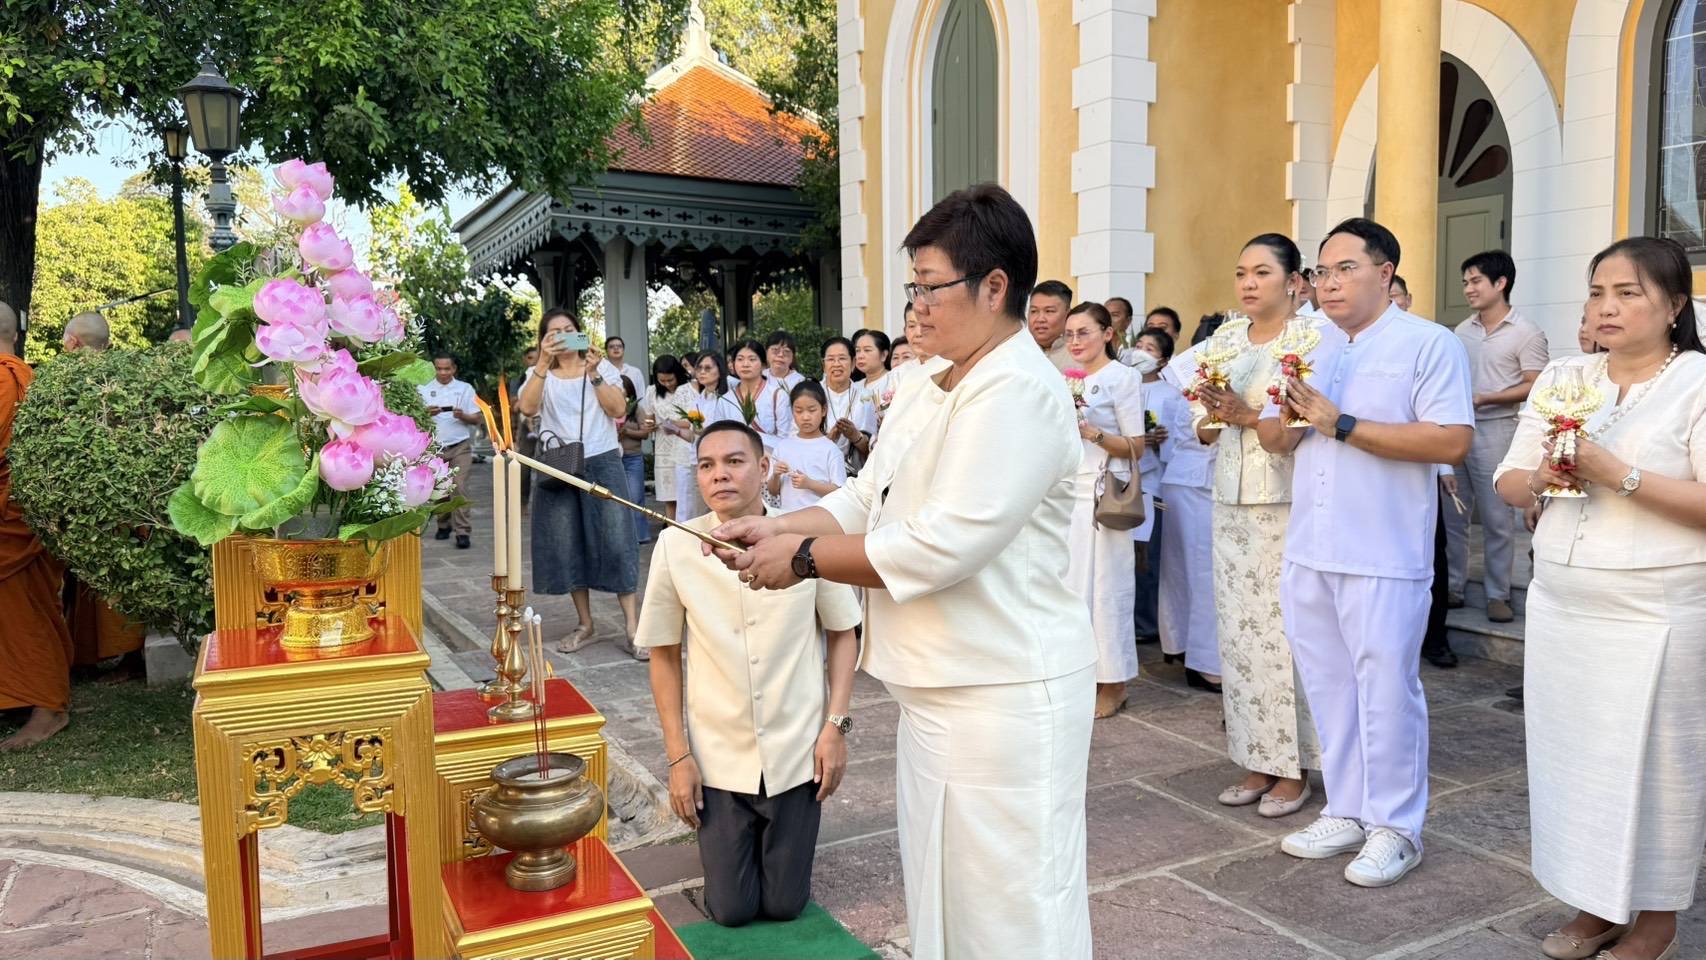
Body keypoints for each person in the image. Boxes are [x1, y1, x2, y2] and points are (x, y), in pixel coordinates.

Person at [707, 184, 1095, 959]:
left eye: (929, 286)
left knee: (1014, 914)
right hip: (935, 693)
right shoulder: (927, 381)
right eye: (911, 288)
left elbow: (941, 542)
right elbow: (863, 497)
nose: (914, 307)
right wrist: (775, 524)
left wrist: (805, 560)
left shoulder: (1017, 390)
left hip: (1003, 695)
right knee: (944, 902)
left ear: (993, 287)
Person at [1494, 237, 1706, 960]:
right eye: (1597, 292)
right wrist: (1544, 476)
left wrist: (1618, 474)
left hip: (1657, 612)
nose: (1607, 307)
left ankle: (1654, 916)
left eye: (1629, 293)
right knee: (1576, 764)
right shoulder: (1564, 376)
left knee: (1658, 767)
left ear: (1675, 306)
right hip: (1564, 601)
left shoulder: (1697, 383)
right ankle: (1594, 902)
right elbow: (1510, 480)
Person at [1256, 217, 1473, 888]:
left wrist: (1340, 423)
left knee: (1386, 690)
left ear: (1385, 273)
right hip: (1311, 545)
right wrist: (1290, 421)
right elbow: (1272, 435)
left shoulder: (1427, 344)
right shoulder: (1307, 341)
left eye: (1345, 268)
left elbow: (1450, 441)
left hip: (1384, 549)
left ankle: (1396, 827)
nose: (1329, 282)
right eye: (1322, 271)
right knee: (1328, 685)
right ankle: (1346, 809)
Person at [638, 420, 860, 927]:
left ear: (763, 468)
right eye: (707, 465)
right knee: (732, 911)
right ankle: (732, 845)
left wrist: (835, 728)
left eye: (735, 461)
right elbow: (664, 653)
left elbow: (844, 632)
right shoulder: (675, 547)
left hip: (797, 750)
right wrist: (679, 756)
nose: (720, 475)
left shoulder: (805, 538)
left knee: (785, 905)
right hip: (719, 758)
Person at [1192, 233, 1324, 818]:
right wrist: (1218, 412)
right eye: (1242, 272)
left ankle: (1296, 767)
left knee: (1286, 632)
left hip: (1288, 499)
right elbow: (1201, 427)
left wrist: (1247, 416)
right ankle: (1255, 757)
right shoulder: (1223, 338)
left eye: (1262, 272)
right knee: (1241, 633)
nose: (1248, 283)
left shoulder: (1312, 337)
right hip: (1230, 497)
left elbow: (1300, 425)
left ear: (1294, 280)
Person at [517, 309, 641, 657]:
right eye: (553, 332)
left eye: (568, 330)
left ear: (580, 334)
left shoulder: (602, 369)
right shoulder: (537, 373)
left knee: (617, 539)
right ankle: (585, 623)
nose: (561, 337)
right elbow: (527, 407)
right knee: (565, 540)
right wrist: (542, 362)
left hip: (602, 458)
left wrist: (595, 373)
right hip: (558, 464)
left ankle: (633, 626)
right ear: (543, 338)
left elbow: (618, 411)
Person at [1444, 250, 1549, 623]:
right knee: (1454, 516)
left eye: (1475, 281)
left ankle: (1497, 595)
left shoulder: (1526, 332)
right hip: (1459, 429)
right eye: (1465, 282)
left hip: (1499, 428)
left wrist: (1487, 397)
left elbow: (1536, 385)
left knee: (1497, 518)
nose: (1468, 289)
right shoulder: (1461, 331)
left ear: (1500, 283)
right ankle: (1454, 588)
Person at [1060, 302, 1146, 718]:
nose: (1075, 341)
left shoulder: (1122, 378)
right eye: (1069, 334)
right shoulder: (1062, 379)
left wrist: (1093, 432)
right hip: (1067, 492)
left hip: (1104, 493)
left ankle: (1114, 681)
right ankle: (1078, 674)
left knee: (1107, 588)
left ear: (1107, 334)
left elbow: (1137, 446)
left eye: (1084, 332)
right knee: (1073, 588)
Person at [0, 303, 75, 751]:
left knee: (24, 609)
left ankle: (48, 707)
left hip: (12, 519)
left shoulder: (9, 379)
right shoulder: (27, 377)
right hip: (19, 514)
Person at [1156, 326, 1220, 691]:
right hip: (1196, 482)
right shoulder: (1199, 385)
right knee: (1199, 573)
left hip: (1193, 481)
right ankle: (1203, 661)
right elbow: (1205, 433)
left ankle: (1181, 645)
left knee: (1189, 572)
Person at [1132, 329, 1178, 645]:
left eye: (1149, 348)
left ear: (1162, 359)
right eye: (1138, 345)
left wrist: (1158, 442)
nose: (1141, 352)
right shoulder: (1123, 384)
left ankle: (1146, 622)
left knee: (1145, 554)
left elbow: (1179, 442)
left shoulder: (1170, 395)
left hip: (1151, 481)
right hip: (1120, 477)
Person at [419, 355, 480, 548]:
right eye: (439, 368)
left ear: (454, 369)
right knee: (440, 488)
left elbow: (477, 418)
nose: (443, 372)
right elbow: (415, 418)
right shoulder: (424, 388)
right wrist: (425, 414)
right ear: (434, 368)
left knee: (459, 485)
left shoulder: (465, 389)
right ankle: (443, 524)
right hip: (435, 446)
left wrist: (463, 416)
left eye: (447, 369)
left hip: (460, 446)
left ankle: (463, 532)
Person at [767, 381, 846, 513]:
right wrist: (775, 475)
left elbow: (840, 491)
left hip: (818, 521)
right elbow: (773, 491)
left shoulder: (830, 449)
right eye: (799, 411)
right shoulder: (783, 447)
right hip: (787, 519)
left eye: (812, 410)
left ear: (824, 410)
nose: (805, 417)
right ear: (792, 411)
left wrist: (810, 484)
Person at [641, 355, 693, 524]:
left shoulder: (688, 389)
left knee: (687, 495)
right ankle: (672, 531)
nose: (667, 384)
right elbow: (649, 418)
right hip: (663, 449)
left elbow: (695, 421)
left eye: (670, 379)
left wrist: (669, 424)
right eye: (662, 380)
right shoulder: (652, 392)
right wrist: (649, 425)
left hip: (684, 444)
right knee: (669, 496)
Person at [819, 337, 874, 473]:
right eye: (831, 359)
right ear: (823, 365)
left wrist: (856, 436)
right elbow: (798, 440)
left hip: (855, 474)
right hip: (818, 471)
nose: (836, 364)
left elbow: (874, 449)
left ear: (853, 363)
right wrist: (826, 441)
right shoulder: (812, 393)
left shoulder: (866, 397)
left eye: (842, 358)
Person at [729, 338, 794, 446]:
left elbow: (786, 438)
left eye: (752, 359)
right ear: (733, 364)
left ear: (763, 365)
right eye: (740, 359)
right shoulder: (725, 399)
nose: (745, 364)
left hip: (770, 458)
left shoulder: (777, 395)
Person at [617, 376, 651, 544]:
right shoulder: (609, 407)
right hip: (615, 458)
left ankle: (640, 535)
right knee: (617, 498)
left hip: (633, 457)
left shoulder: (636, 408)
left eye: (623, 387)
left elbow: (645, 433)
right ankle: (622, 536)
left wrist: (626, 432)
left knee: (636, 497)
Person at [1028, 280, 1075, 369]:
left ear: (1068, 314)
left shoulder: (1080, 354)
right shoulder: (1018, 352)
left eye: (1049, 311)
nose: (1040, 319)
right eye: (1034, 311)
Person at [852, 328, 894, 415]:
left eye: (867, 350)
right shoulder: (854, 387)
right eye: (857, 351)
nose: (860, 356)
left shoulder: (894, 380)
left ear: (883, 355)